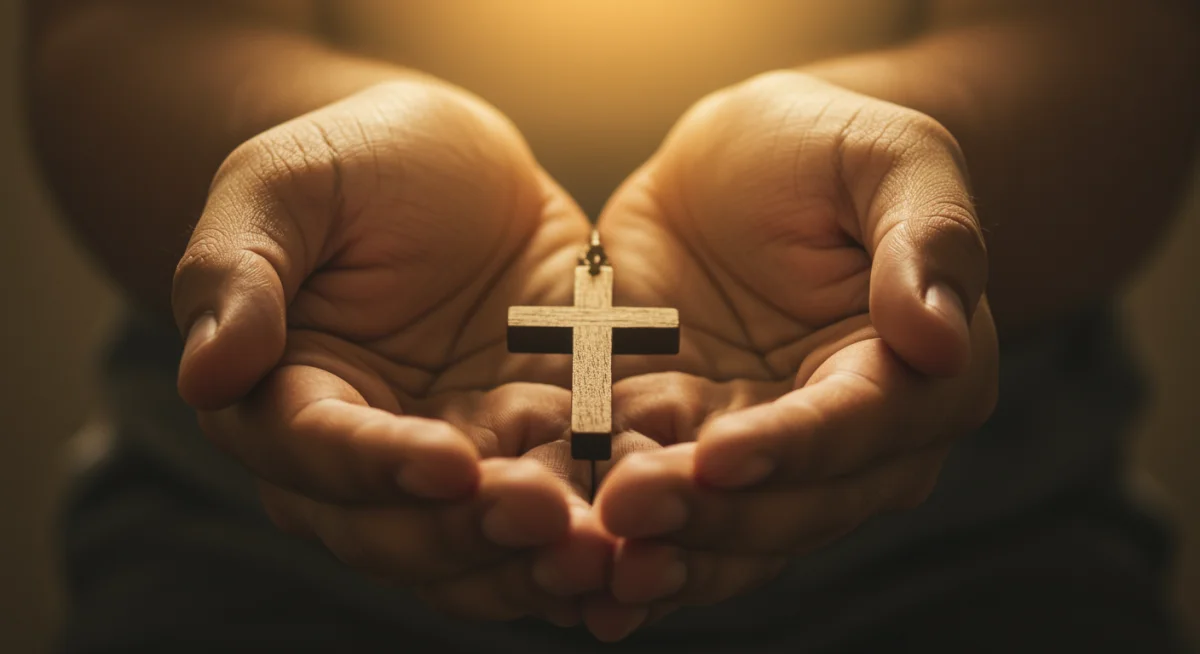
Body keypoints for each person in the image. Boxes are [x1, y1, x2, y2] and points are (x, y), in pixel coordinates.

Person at [24, 0, 1200, 651]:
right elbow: (114, 32)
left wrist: (911, 153)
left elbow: (1128, 51)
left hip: (978, 540)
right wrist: (302, 153)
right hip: (257, 533)